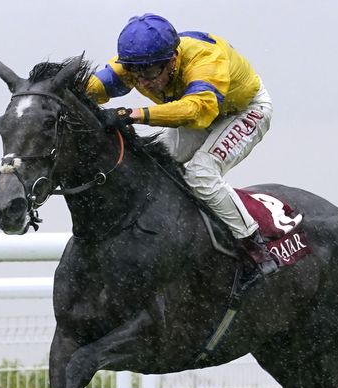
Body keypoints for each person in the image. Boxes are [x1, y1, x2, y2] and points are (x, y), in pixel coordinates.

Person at [86, 13, 279, 277]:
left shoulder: (205, 59)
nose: (142, 81)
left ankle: (256, 247)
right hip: (202, 112)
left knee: (201, 174)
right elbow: (90, 88)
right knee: (150, 164)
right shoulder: (137, 65)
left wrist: (133, 114)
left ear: (173, 59)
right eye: (134, 72)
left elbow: (197, 110)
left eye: (150, 72)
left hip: (243, 110)